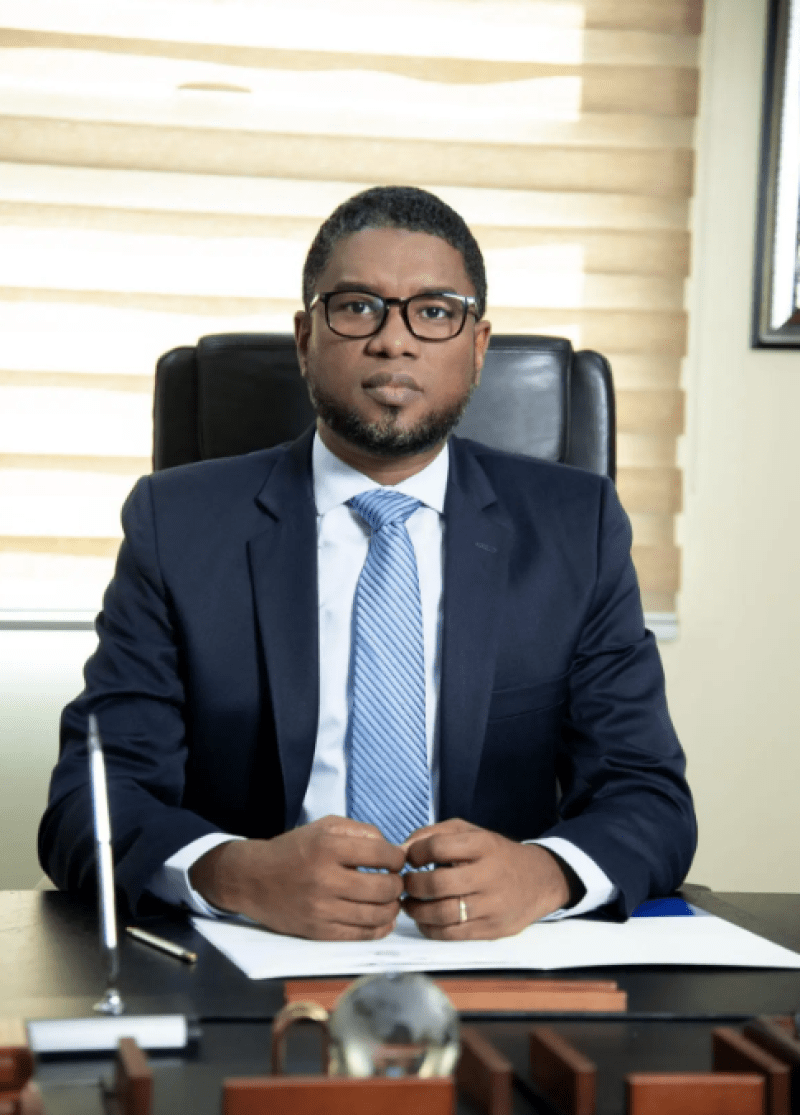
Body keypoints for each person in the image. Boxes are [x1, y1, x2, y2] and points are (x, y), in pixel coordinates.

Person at [39, 186, 696, 942]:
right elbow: (90, 799)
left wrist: (543, 875)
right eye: (357, 307)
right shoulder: (178, 524)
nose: (394, 341)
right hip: (260, 949)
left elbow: (649, 797)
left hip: (499, 955)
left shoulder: (576, 527)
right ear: (305, 339)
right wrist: (236, 874)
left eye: (435, 311)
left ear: (478, 346)